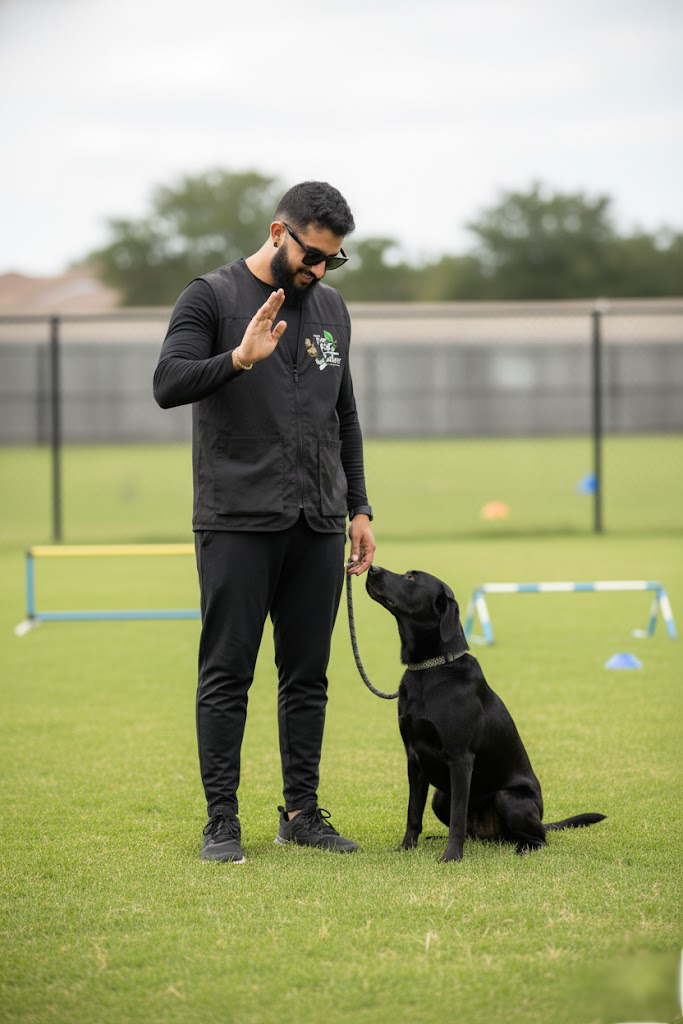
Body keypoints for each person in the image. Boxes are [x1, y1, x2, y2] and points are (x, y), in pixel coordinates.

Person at [153, 181, 375, 864]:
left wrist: (358, 506)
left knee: (306, 676)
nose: (317, 272)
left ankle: (301, 814)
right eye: (311, 256)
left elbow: (343, 414)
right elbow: (167, 382)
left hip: (317, 519)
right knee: (227, 674)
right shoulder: (210, 297)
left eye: (331, 261)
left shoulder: (331, 307)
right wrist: (239, 360)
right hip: (236, 519)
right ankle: (222, 821)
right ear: (279, 231)